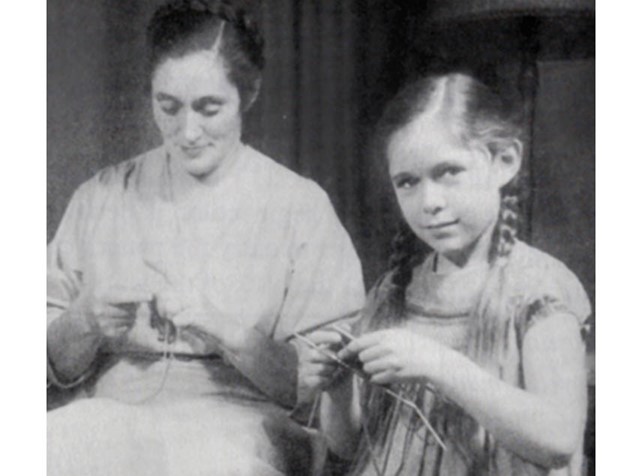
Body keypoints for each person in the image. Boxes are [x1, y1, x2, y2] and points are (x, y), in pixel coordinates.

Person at [46, 1, 364, 475]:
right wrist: (86, 319)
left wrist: (224, 329)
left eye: (209, 108)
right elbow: (48, 365)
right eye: (168, 107)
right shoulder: (103, 196)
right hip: (107, 421)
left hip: (239, 432)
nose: (187, 131)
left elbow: (318, 385)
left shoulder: (299, 208)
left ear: (248, 95)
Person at [301, 72, 590, 475]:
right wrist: (336, 389)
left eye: (448, 172)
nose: (429, 202)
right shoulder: (394, 290)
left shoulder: (538, 288)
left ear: (505, 162)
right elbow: (350, 447)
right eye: (408, 182)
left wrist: (439, 364)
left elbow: (559, 440)